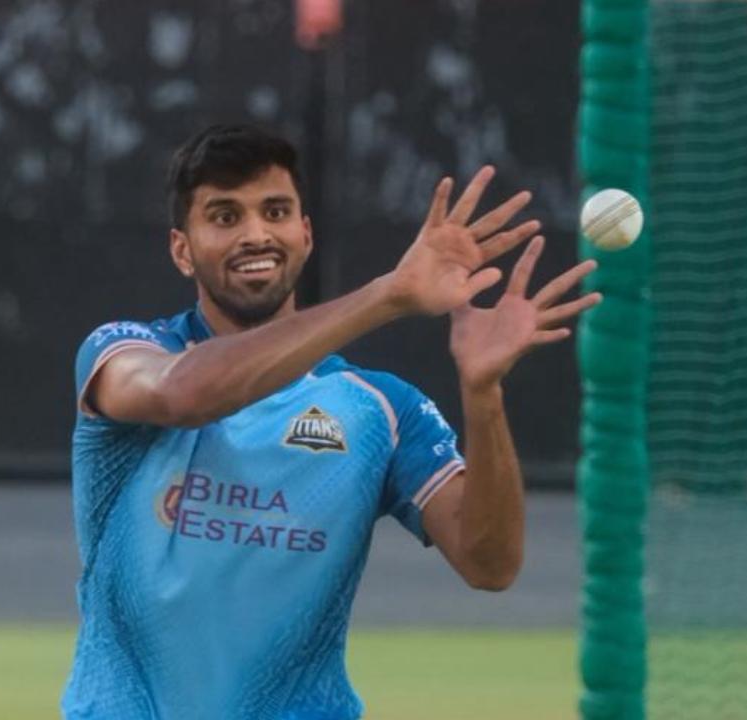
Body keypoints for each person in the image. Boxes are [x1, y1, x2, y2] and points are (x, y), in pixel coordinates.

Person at [63, 124, 600, 719]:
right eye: (224, 216)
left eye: (275, 211)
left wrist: (483, 394)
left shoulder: (381, 409)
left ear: (306, 233)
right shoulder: (127, 352)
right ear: (181, 249)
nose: (256, 234)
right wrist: (388, 296)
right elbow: (183, 395)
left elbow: (491, 564)